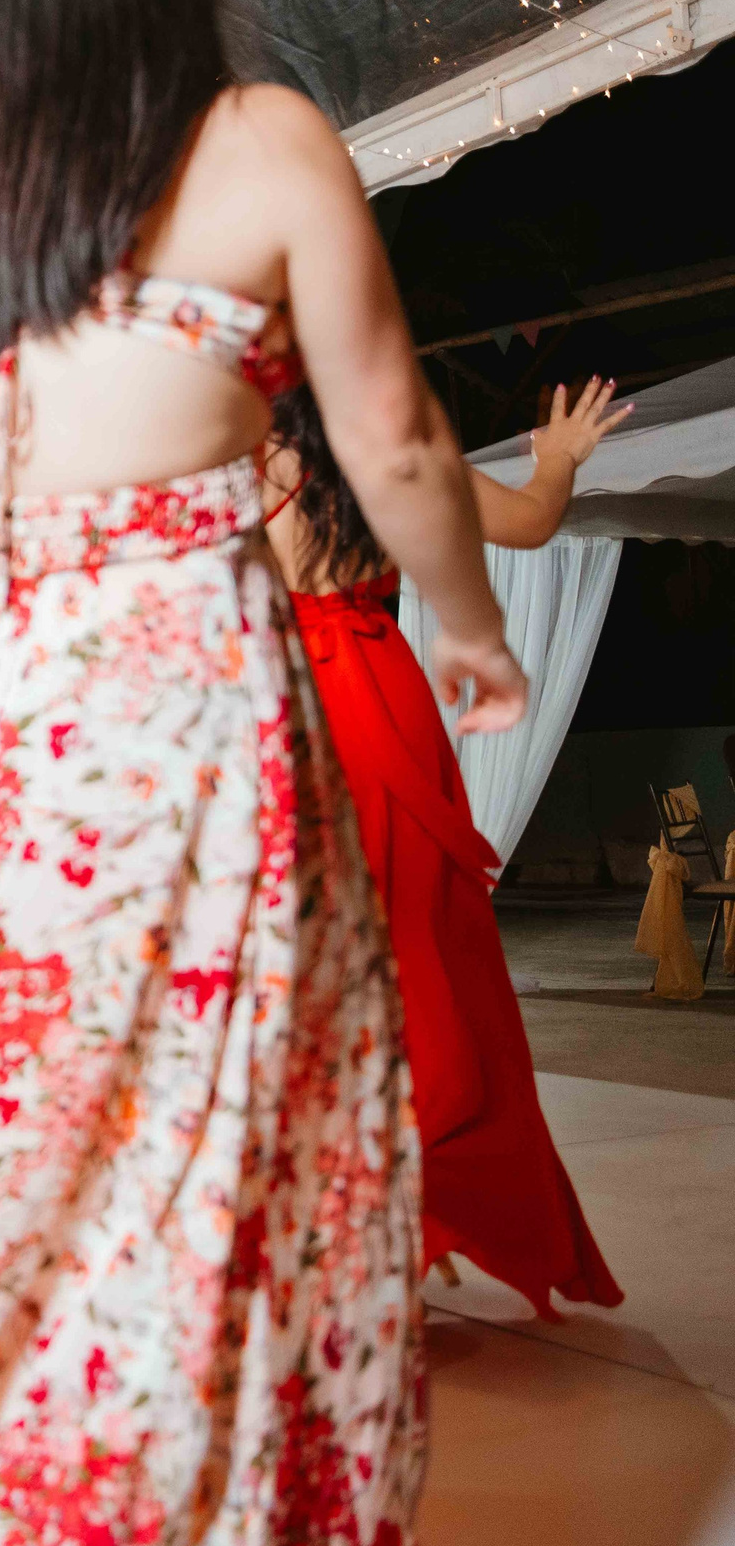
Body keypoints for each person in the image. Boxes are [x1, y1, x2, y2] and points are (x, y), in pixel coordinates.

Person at [0, 0, 529, 1546]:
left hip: (8, 726)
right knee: (214, 1094)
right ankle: (209, 1499)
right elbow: (394, 444)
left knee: (0, 1102)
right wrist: (467, 632)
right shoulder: (262, 145)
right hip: (193, 713)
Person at [268, 383, 626, 1316]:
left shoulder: (229, 473)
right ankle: (411, 1194)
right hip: (381, 707)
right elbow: (533, 522)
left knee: (300, 975)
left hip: (276, 712)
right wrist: (558, 459)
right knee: (422, 961)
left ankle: (347, 1214)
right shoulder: (397, 460)